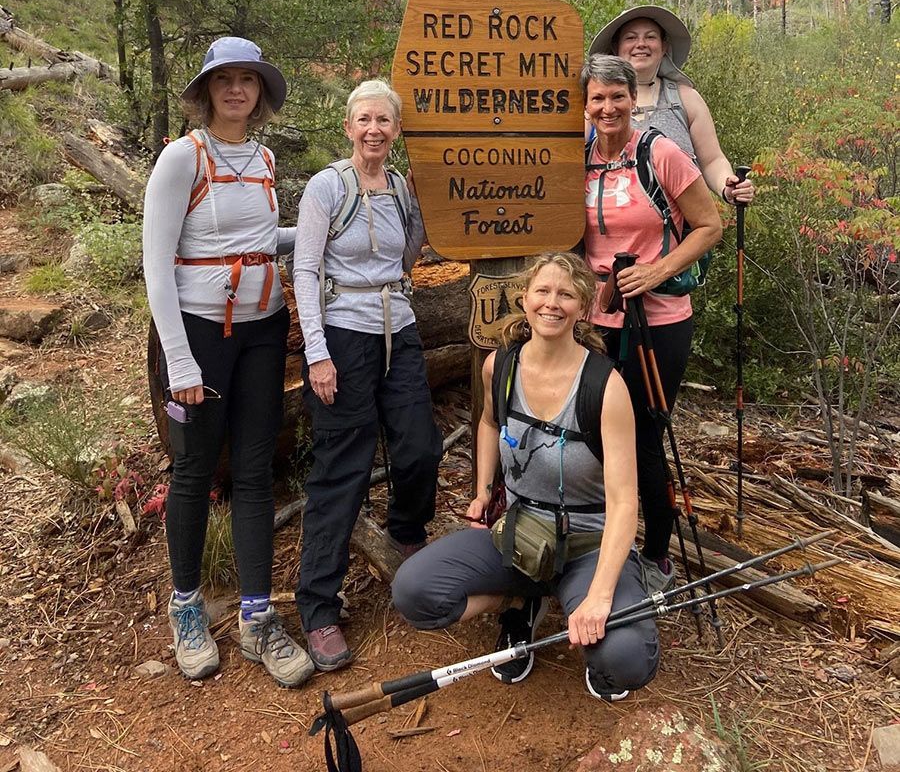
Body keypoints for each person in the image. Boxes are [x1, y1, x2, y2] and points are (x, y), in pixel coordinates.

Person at [393, 252, 659, 702]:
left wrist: (598, 596)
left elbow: (624, 502)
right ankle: (520, 600)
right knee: (415, 592)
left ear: (582, 307)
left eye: (566, 294)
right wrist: (482, 491)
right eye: (542, 290)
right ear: (525, 296)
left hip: (588, 543)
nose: (551, 303)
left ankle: (587, 617)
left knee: (625, 659)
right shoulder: (501, 367)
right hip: (518, 533)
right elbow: (489, 423)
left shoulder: (605, 387)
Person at [143, 36, 312, 687]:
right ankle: (186, 607)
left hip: (265, 329)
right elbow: (157, 264)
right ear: (207, 90)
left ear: (261, 92)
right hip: (199, 334)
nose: (237, 90)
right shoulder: (182, 159)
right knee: (192, 468)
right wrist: (181, 363)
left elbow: (260, 239)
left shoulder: (263, 158)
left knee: (250, 470)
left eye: (248, 80)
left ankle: (256, 617)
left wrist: (322, 230)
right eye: (225, 80)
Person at [292, 79, 443, 672]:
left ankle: (407, 532)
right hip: (343, 334)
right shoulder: (326, 187)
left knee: (420, 447)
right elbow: (304, 269)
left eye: (385, 120)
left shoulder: (403, 189)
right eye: (365, 120)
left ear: (396, 130)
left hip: (397, 328)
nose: (375, 130)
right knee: (342, 468)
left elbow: (409, 257)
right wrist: (317, 353)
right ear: (349, 128)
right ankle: (319, 608)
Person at [581, 54, 722, 592]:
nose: (608, 107)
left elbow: (708, 226)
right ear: (587, 105)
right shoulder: (579, 161)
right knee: (592, 433)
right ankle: (598, 543)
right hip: (595, 321)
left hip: (659, 319)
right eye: (597, 98)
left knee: (641, 438)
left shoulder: (659, 153)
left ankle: (658, 552)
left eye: (617, 97)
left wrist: (657, 269)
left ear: (630, 101)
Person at [588, 6, 754, 206]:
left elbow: (711, 160)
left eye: (650, 37)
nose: (641, 44)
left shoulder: (686, 99)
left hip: (684, 232)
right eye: (631, 38)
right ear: (616, 47)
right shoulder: (592, 105)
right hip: (610, 228)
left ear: (664, 46)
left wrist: (727, 186)